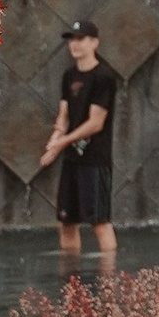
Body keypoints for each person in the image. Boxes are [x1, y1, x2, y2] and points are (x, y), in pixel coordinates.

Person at [37, 21, 119, 269]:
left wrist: (61, 143)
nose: (74, 44)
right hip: (72, 160)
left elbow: (96, 123)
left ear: (94, 42)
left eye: (80, 39)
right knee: (67, 221)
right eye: (71, 39)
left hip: (95, 159)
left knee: (99, 221)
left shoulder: (104, 77)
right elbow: (64, 113)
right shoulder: (69, 76)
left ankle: (107, 278)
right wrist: (57, 135)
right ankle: (70, 278)